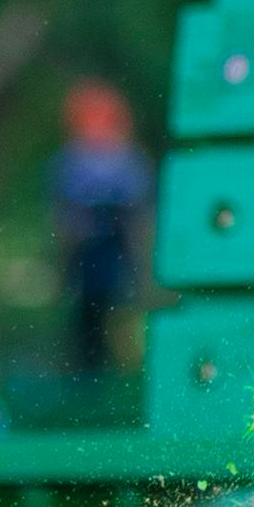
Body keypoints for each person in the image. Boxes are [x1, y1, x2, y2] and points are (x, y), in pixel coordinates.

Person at [47, 81, 153, 376]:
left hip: (118, 250)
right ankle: (88, 376)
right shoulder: (70, 162)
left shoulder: (129, 161)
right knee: (86, 321)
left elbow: (137, 214)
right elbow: (64, 216)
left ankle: (122, 370)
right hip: (85, 254)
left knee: (122, 314)